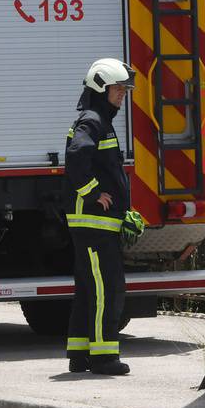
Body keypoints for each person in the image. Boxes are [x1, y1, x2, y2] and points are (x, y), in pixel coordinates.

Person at [64, 57, 133, 376]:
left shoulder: (98, 120)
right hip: (93, 223)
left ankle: (80, 355)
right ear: (100, 87)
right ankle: (104, 357)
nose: (122, 95)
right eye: (117, 90)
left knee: (89, 289)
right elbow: (77, 157)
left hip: (95, 224)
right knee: (107, 288)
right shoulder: (92, 120)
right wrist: (94, 193)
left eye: (123, 90)